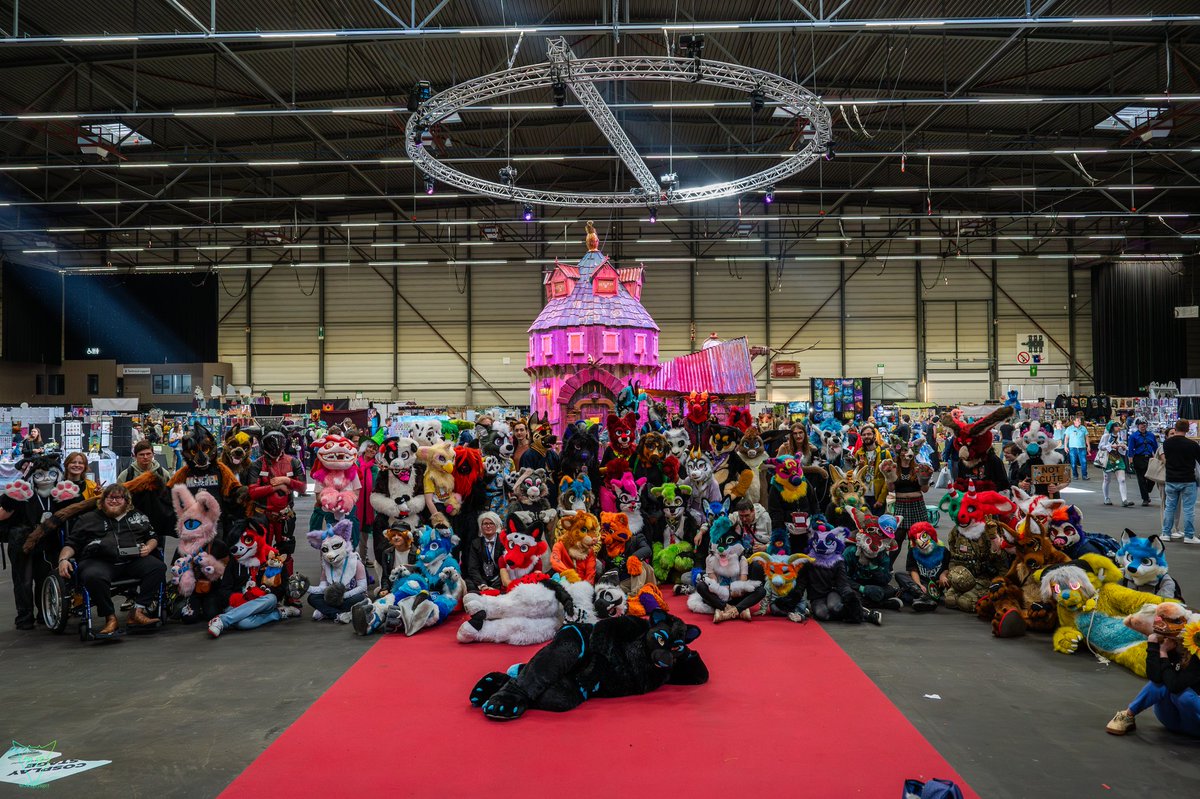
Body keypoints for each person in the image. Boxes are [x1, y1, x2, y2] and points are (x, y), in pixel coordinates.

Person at [56, 484, 165, 638]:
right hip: (99, 561)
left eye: (119, 497)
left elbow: (153, 537)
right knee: (93, 575)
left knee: (158, 567)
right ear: (103, 500)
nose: (114, 501)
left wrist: (148, 547)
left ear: (126, 501)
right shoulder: (88, 518)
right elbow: (71, 543)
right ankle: (110, 618)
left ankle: (137, 611)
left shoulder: (137, 516)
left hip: (131, 560)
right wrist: (63, 559)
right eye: (110, 498)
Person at [1106, 604, 1200, 737]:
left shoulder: (1196, 653)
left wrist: (1163, 654)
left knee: (1183, 696)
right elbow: (1154, 677)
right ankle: (1127, 715)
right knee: (1159, 685)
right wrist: (1156, 648)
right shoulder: (1167, 644)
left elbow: (1175, 686)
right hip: (1172, 720)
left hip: (1196, 719)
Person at [1160, 419, 1200, 543]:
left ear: (1175, 428)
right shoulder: (1193, 445)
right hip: (1188, 479)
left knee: (1169, 507)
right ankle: (1189, 536)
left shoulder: (1166, 444)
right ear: (1187, 429)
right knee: (1188, 509)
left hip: (1171, 479)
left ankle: (1166, 533)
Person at [464, 512, 503, 593]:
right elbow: (473, 568)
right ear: (481, 526)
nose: (488, 526)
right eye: (485, 524)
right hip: (482, 580)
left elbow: (507, 568)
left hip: (499, 579)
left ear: (496, 525)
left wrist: (496, 585)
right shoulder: (475, 543)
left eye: (491, 523)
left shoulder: (504, 542)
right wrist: (482, 584)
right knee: (468, 583)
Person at [1098, 420, 1135, 507]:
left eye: (1119, 425)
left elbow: (1124, 447)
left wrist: (1123, 447)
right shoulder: (1106, 436)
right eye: (1116, 426)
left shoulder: (1120, 436)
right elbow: (1100, 446)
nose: (1119, 427)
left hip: (1118, 459)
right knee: (1107, 480)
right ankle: (1106, 498)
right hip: (1108, 459)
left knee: (1122, 479)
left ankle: (1124, 500)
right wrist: (1110, 446)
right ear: (1112, 428)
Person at [1128, 419, 1160, 507]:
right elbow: (1130, 449)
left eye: (1144, 425)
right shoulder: (1133, 436)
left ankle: (1147, 490)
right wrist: (1130, 461)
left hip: (1150, 458)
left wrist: (1158, 458)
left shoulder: (1151, 435)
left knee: (1152, 478)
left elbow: (1156, 448)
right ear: (1137, 426)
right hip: (1139, 458)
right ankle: (1145, 499)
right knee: (1141, 480)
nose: (1143, 426)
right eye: (1141, 425)